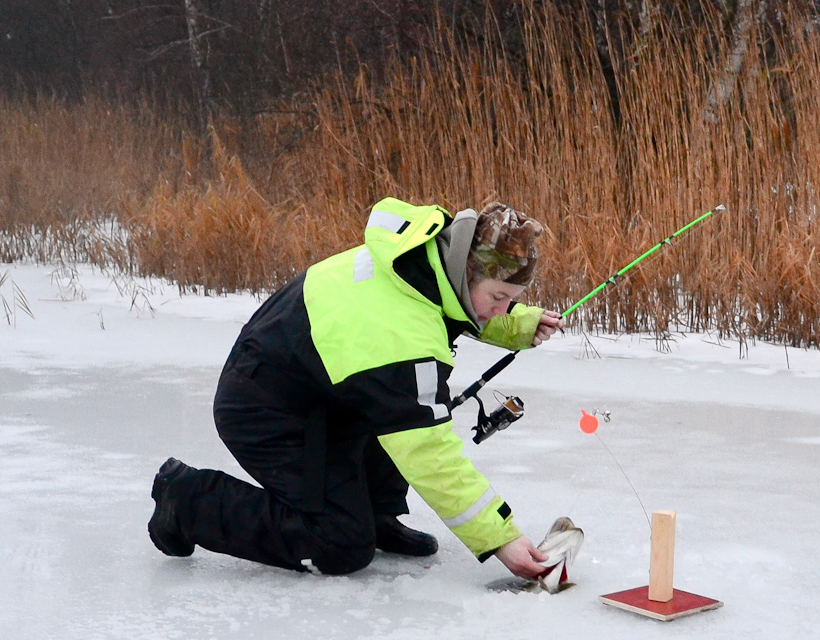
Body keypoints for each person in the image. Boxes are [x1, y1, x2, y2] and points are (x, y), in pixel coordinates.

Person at [147, 197, 564, 579]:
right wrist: (500, 537)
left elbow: (457, 307)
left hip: (318, 388)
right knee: (340, 542)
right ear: (463, 269)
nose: (501, 309)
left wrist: (517, 325)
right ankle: (186, 499)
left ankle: (376, 515)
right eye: (498, 297)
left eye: (511, 300)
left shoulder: (419, 260)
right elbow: (428, 453)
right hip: (266, 408)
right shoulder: (402, 334)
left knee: (393, 407)